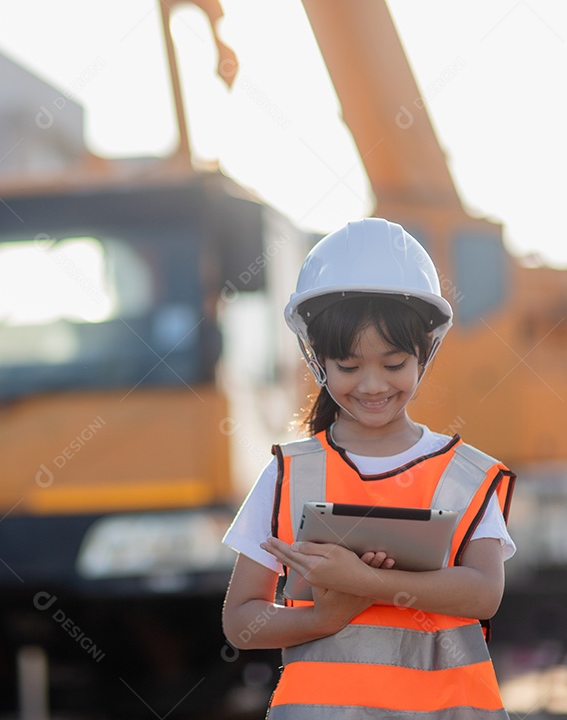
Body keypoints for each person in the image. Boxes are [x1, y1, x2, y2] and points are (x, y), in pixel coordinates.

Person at [221, 218, 516, 719]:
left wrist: (367, 583)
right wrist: (324, 617)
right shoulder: (287, 475)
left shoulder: (467, 476)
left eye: (394, 363)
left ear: (427, 353)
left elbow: (484, 594)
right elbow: (241, 623)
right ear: (317, 360)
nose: (373, 385)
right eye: (350, 367)